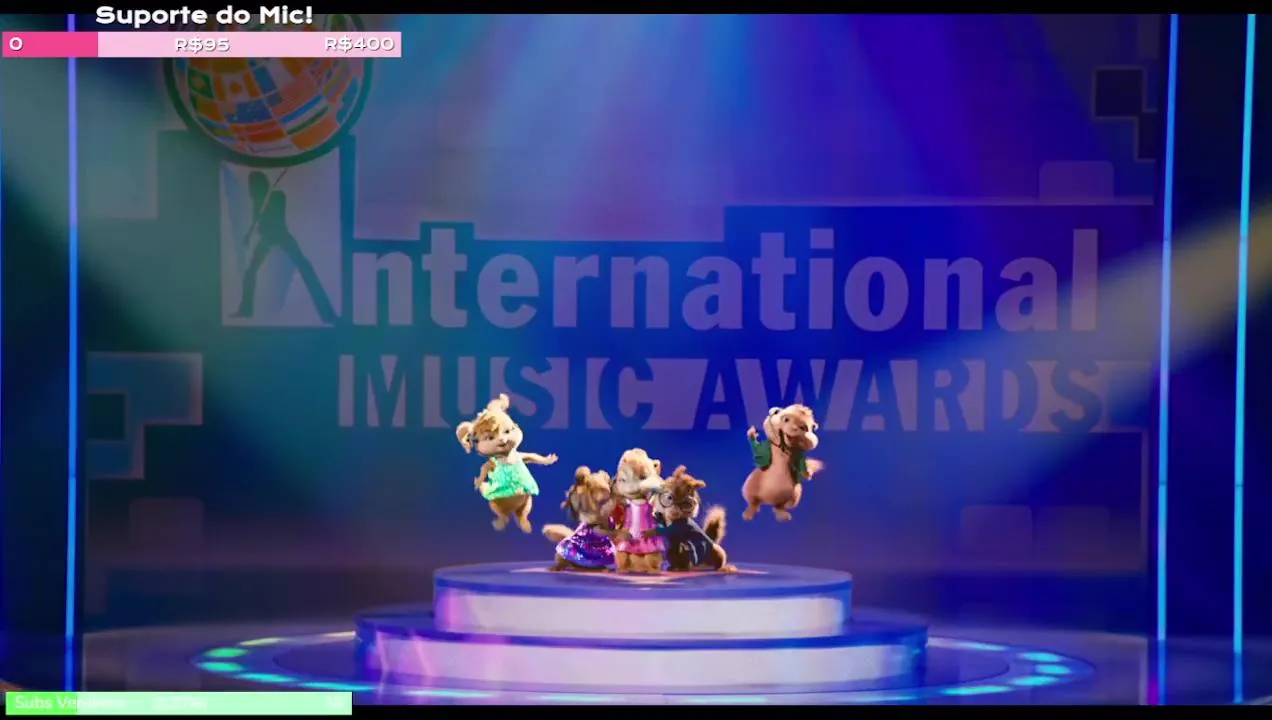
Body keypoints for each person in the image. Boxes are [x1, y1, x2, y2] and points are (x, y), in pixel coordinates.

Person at [231, 171, 338, 324]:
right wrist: (249, 234)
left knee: (305, 267)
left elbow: (275, 219)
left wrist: (265, 210)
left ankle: (327, 314)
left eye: (253, 185)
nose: (251, 189)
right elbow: (257, 221)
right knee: (250, 273)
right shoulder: (258, 201)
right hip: (266, 238)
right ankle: (246, 310)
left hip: (281, 236)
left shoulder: (277, 196)